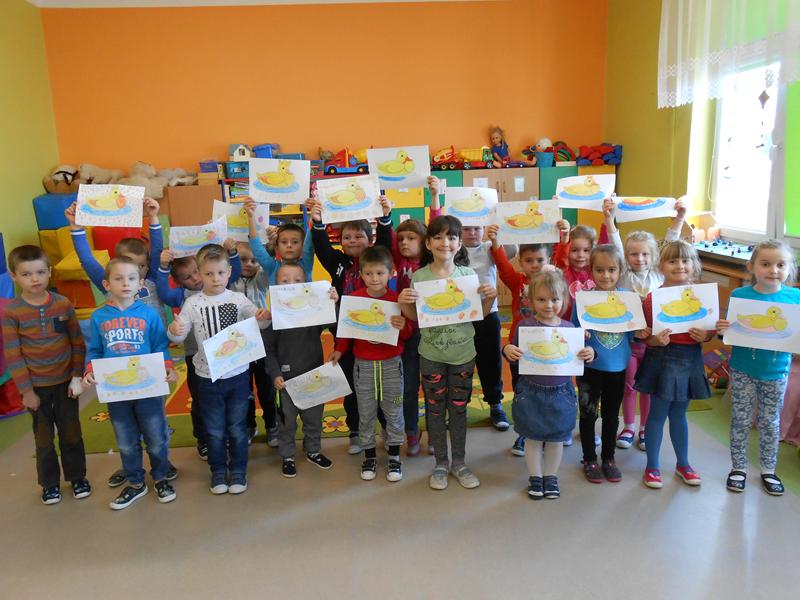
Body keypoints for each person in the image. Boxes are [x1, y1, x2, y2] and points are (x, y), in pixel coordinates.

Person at [399, 215, 497, 490]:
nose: (445, 242)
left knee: (459, 409)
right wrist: (403, 303)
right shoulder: (420, 276)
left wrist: (489, 298)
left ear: (459, 243)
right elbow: (416, 317)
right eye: (438, 237)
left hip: (463, 355)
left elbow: (479, 314)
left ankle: (460, 463)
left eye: (452, 237)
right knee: (434, 409)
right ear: (428, 243)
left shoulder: (467, 276)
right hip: (431, 356)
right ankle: (441, 463)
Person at [167, 244, 270, 495]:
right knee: (213, 429)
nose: (216, 279)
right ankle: (218, 471)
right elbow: (178, 336)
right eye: (209, 274)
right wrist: (174, 330)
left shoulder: (238, 299)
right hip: (207, 377)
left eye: (221, 273)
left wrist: (263, 317)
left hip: (237, 375)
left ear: (229, 272)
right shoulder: (192, 303)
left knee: (237, 427)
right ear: (200, 274)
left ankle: (238, 470)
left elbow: (259, 323)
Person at [83, 257, 178, 509]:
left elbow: (160, 346)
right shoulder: (98, 317)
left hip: (148, 390)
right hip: (117, 393)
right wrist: (90, 370)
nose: (126, 283)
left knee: (156, 438)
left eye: (131, 278)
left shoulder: (149, 314)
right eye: (118, 278)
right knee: (126, 441)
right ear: (106, 284)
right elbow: (94, 350)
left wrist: (168, 367)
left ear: (140, 283)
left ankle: (161, 477)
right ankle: (136, 483)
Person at [3, 245, 88, 505]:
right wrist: (26, 392)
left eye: (40, 272)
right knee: (43, 439)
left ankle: (77, 477)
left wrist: (77, 376)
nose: (35, 279)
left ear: (49, 272)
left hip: (66, 384)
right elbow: (13, 355)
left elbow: (77, 343)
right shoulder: (11, 312)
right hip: (36, 388)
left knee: (71, 433)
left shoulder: (62, 304)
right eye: (26, 274)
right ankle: (50, 484)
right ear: (13, 276)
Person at [715, 239, 799, 496]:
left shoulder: (794, 298)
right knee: (740, 420)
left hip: (776, 372)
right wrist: (723, 331)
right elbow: (729, 334)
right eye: (766, 264)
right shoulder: (741, 296)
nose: (773, 270)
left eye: (781, 265)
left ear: (789, 268)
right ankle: (738, 467)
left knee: (770, 422)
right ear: (751, 266)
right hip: (743, 370)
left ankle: (768, 470)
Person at [310, 195, 392, 454]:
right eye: (347, 237)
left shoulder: (376, 260)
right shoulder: (337, 262)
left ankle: (386, 426)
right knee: (351, 383)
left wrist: (386, 218)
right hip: (344, 333)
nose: (353, 240)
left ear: (370, 239)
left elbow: (386, 242)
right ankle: (355, 431)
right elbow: (322, 248)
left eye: (358, 236)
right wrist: (318, 222)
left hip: (375, 333)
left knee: (379, 384)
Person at [502, 271, 594, 499]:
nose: (549, 305)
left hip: (562, 394)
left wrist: (590, 353)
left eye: (554, 299)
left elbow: (582, 357)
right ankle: (535, 476)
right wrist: (507, 349)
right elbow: (513, 352)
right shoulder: (525, 327)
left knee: (556, 439)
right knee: (532, 438)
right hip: (530, 392)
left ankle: (550, 476)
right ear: (531, 301)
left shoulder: (570, 330)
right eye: (541, 299)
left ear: (564, 300)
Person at [606, 198, 686, 451]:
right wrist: (608, 217)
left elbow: (671, 242)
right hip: (630, 342)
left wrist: (680, 218)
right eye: (633, 254)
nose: (639, 258)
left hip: (655, 344)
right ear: (626, 257)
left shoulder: (658, 274)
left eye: (644, 254)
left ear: (653, 257)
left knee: (648, 388)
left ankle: (644, 429)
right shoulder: (623, 273)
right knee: (629, 386)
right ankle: (628, 426)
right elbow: (615, 243)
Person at [635, 240, 714, 489]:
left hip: (691, 359)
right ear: (661, 266)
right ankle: (652, 467)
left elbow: (709, 330)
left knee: (679, 414)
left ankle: (683, 464)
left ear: (694, 265)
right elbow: (644, 335)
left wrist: (707, 336)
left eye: (685, 260)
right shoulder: (653, 299)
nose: (679, 265)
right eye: (672, 261)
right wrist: (653, 340)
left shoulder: (703, 297)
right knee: (657, 415)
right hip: (662, 359)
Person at [331, 246, 413, 482]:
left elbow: (407, 333)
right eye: (369, 273)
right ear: (362, 274)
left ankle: (394, 456)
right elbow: (346, 330)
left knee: (393, 410)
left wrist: (403, 326)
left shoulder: (396, 300)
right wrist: (339, 349)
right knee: (365, 412)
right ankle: (369, 456)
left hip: (391, 365)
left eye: (380, 273)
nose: (374, 278)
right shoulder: (355, 300)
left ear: (390, 273)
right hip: (364, 366)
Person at [374, 175, 442, 455]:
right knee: (408, 385)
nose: (404, 242)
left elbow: (437, 226)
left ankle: (435, 433)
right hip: (408, 332)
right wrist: (386, 213)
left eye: (411, 238)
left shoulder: (431, 261)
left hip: (433, 331)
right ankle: (412, 432)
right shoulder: (399, 260)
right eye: (401, 239)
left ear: (425, 242)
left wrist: (434, 197)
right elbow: (387, 234)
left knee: (434, 385)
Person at [156, 244, 243, 459]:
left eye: (196, 271)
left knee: (231, 398)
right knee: (200, 399)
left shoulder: (222, 286)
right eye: (187, 277)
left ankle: (229, 436)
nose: (195, 278)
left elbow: (233, 272)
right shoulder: (183, 296)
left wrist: (232, 252)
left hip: (226, 355)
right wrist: (163, 267)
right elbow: (163, 292)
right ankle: (203, 438)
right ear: (179, 282)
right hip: (197, 357)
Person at [264, 264, 338, 478]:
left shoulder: (312, 312)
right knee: (286, 421)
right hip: (285, 381)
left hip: (313, 376)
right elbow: (268, 350)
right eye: (285, 281)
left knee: (314, 418)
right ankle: (287, 455)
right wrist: (275, 374)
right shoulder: (273, 318)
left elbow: (333, 324)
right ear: (276, 286)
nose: (292, 285)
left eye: (297, 281)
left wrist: (332, 303)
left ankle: (313, 450)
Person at [488, 224, 554, 456]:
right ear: (521, 262)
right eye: (529, 260)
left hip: (548, 349)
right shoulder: (518, 283)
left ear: (548, 260)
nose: (535, 265)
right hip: (519, 349)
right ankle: (524, 433)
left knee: (546, 394)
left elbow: (563, 263)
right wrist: (495, 243)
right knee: (522, 394)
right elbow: (503, 267)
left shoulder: (554, 284)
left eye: (540, 260)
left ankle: (548, 432)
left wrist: (564, 238)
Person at [573, 244, 636, 483]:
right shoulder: (583, 300)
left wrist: (644, 331)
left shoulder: (627, 300)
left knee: (611, 416)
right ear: (591, 270)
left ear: (620, 270)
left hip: (617, 368)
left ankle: (608, 458)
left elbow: (634, 334)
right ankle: (589, 458)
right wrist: (581, 337)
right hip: (590, 369)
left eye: (612, 269)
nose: (606, 275)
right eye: (599, 270)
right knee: (588, 414)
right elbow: (573, 331)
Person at [460, 221, 515, 432]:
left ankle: (495, 403)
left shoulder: (488, 248)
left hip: (488, 313)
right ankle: (460, 406)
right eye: (466, 228)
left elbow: (512, 251)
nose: (472, 232)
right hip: (461, 316)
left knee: (491, 361)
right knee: (462, 363)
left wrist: (499, 234)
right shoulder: (453, 249)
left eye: (476, 228)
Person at [231, 241, 277, 448]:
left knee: (267, 388)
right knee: (244, 390)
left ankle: (272, 425)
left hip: (261, 340)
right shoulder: (230, 282)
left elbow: (268, 271)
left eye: (254, 260)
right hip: (239, 343)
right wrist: (231, 253)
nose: (249, 264)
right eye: (243, 259)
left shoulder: (260, 279)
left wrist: (269, 250)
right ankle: (249, 425)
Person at [245, 200, 315, 284]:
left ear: (302, 247)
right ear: (277, 247)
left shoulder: (306, 264)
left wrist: (314, 215)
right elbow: (257, 248)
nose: (289, 245)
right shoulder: (272, 267)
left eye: (295, 242)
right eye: (284, 242)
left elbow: (309, 244)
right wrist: (250, 217)